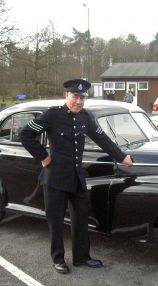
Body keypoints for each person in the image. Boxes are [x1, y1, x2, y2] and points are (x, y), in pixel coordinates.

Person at [20, 79, 133, 274]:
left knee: (81, 218)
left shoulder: (86, 118)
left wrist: (121, 157)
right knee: (55, 221)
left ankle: (82, 257)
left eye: (82, 98)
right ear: (67, 96)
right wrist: (44, 157)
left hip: (77, 179)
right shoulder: (52, 115)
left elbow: (102, 138)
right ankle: (58, 259)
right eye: (75, 97)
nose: (79, 101)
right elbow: (26, 134)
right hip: (55, 179)